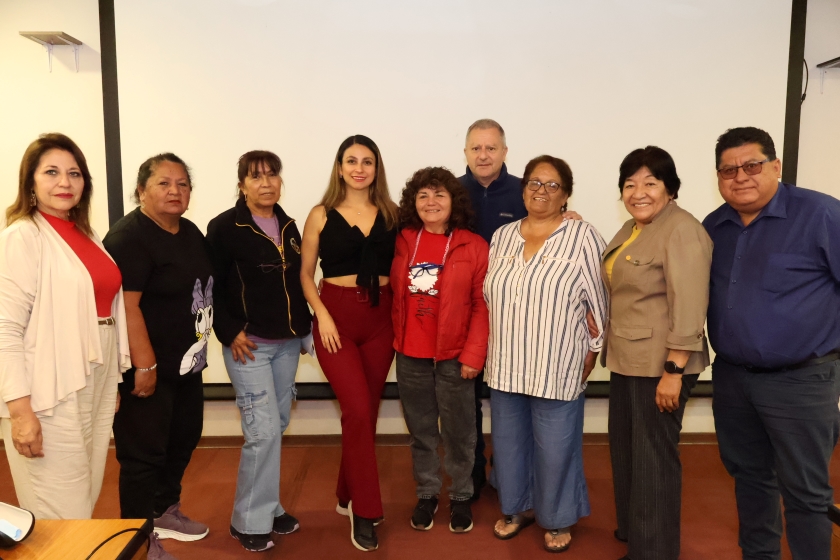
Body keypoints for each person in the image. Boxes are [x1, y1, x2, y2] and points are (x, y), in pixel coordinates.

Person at [703, 127, 840, 560]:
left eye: (752, 166)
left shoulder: (821, 214)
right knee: (750, 478)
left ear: (775, 167)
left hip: (801, 382)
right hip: (732, 380)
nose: (740, 177)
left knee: (806, 491)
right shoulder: (713, 226)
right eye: (729, 170)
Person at [0, 133, 130, 519]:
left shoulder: (84, 234)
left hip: (93, 378)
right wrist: (20, 413)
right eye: (52, 172)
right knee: (61, 510)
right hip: (48, 390)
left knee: (84, 496)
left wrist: (110, 380)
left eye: (74, 173)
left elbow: (103, 313)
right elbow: (5, 330)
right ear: (31, 182)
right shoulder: (22, 236)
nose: (65, 182)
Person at [484, 155, 607, 553]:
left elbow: (601, 300)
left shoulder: (583, 236)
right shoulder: (502, 237)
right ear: (523, 189)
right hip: (505, 363)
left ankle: (557, 518)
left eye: (552, 185)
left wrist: (594, 348)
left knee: (556, 448)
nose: (541, 190)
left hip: (557, 363)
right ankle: (517, 508)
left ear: (566, 194)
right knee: (509, 444)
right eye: (534, 182)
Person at [601, 146, 712, 560]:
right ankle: (635, 529)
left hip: (661, 365)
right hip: (629, 360)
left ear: (670, 188)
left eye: (650, 182)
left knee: (652, 461)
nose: (638, 192)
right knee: (627, 452)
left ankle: (654, 551)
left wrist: (674, 370)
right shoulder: (633, 228)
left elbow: (689, 304)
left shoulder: (681, 229)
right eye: (630, 184)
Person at [103, 153, 213, 560]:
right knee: (142, 456)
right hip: (148, 369)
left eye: (183, 184)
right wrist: (144, 366)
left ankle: (164, 511)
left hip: (186, 364)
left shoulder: (189, 231)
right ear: (141, 190)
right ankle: (135, 537)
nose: (175, 191)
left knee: (183, 439)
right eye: (164, 183)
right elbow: (126, 307)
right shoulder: (128, 238)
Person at [206, 150, 312, 552]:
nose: (265, 183)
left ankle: (268, 505)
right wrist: (229, 330)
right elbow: (209, 286)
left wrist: (303, 332)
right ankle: (248, 520)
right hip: (248, 348)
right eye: (255, 177)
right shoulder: (223, 228)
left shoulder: (288, 225)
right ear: (241, 184)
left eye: (272, 175)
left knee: (275, 426)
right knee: (263, 432)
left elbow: (298, 281)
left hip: (286, 345)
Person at [300, 135, 398, 551]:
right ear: (339, 168)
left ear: (377, 169)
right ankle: (365, 510)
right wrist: (322, 315)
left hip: (381, 320)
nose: (360, 168)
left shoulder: (393, 214)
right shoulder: (320, 214)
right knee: (358, 410)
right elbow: (305, 273)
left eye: (368, 162)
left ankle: (345, 493)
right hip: (335, 319)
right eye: (351, 161)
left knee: (365, 413)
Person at [390, 166, 489, 533]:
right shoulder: (402, 240)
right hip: (410, 353)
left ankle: (461, 495)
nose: (431, 203)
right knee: (421, 430)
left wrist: (474, 355)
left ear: (454, 201)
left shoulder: (474, 246)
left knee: (460, 432)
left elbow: (482, 304)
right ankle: (428, 492)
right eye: (423, 196)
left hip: (455, 356)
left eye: (439, 195)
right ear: (413, 203)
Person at [457, 118, 524, 499]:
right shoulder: (450, 193)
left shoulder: (524, 192)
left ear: (504, 152)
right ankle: (473, 472)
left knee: (508, 400)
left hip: (514, 316)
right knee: (466, 403)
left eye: (491, 148)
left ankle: (509, 473)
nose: (484, 155)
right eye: (476, 148)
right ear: (465, 152)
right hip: (463, 317)